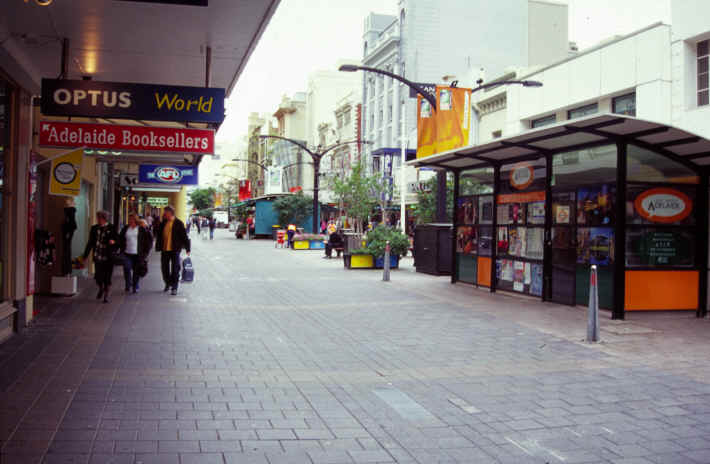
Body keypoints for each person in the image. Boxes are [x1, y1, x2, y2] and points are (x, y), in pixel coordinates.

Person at [82, 210, 118, 303]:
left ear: (104, 219)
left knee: (107, 276)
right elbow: (90, 243)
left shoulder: (111, 228)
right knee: (98, 276)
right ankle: (101, 287)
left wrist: (113, 242)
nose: (98, 219)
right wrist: (85, 256)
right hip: (98, 255)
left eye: (100, 218)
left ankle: (106, 295)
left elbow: (117, 240)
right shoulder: (94, 228)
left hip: (108, 256)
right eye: (98, 218)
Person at [155, 206, 190, 296]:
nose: (164, 214)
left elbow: (184, 236)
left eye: (165, 213)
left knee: (175, 269)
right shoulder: (163, 223)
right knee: (164, 268)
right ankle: (168, 282)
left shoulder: (179, 223)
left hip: (175, 250)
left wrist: (187, 248)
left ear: (170, 213)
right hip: (165, 249)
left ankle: (174, 287)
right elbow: (158, 234)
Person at [119, 213, 152, 294]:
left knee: (136, 271)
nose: (130, 221)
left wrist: (145, 253)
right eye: (129, 219)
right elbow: (120, 239)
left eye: (132, 219)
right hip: (127, 253)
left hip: (138, 254)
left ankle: (135, 285)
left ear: (135, 220)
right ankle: (128, 283)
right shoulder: (126, 228)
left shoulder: (141, 229)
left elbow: (148, 241)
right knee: (127, 268)